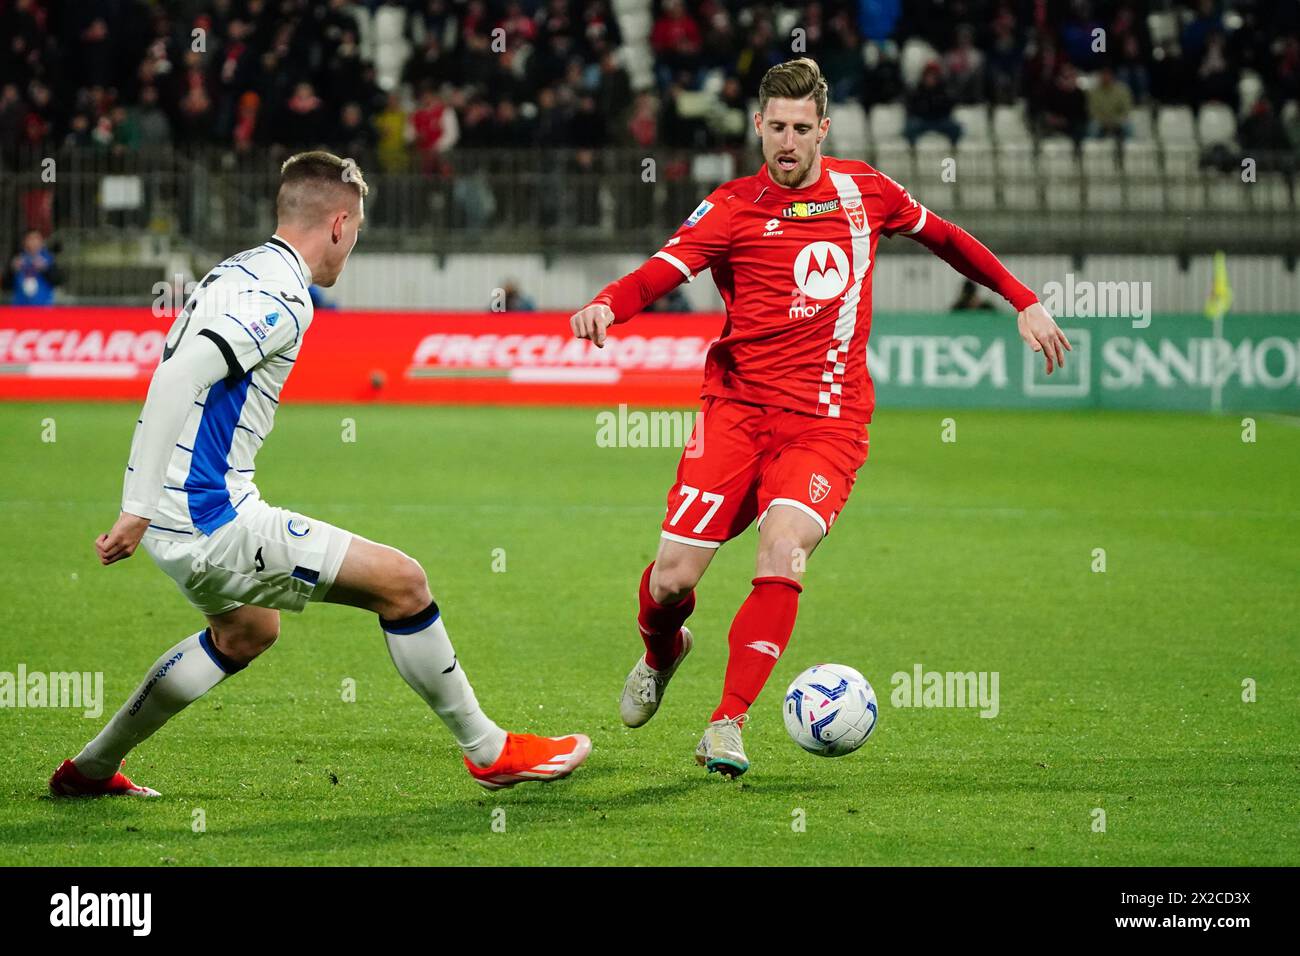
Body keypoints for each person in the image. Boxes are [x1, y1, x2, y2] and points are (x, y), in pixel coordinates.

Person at [568, 58, 1069, 778]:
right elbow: (662, 269)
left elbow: (947, 237)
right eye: (777, 127)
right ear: (758, 126)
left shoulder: (866, 192)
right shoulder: (732, 207)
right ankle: (662, 651)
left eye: (803, 128)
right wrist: (610, 304)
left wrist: (1022, 297)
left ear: (823, 129)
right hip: (735, 414)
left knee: (783, 553)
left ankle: (727, 723)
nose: (789, 142)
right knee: (673, 580)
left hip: (826, 425)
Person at [50, 151, 590, 798]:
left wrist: (149, 504)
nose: (352, 248)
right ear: (338, 225)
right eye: (356, 233)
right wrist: (136, 506)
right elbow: (178, 376)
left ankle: (90, 768)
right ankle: (490, 750)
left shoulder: (242, 266)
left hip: (183, 509)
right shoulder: (283, 297)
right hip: (206, 517)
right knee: (403, 583)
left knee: (246, 630)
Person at [6, 229, 60, 305]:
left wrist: (45, 269)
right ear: (24, 242)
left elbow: (57, 281)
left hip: (44, 308)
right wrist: (12, 270)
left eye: (37, 239)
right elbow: (6, 286)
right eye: (31, 239)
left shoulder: (49, 259)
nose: (34, 242)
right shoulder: (17, 258)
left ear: (42, 242)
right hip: (20, 308)